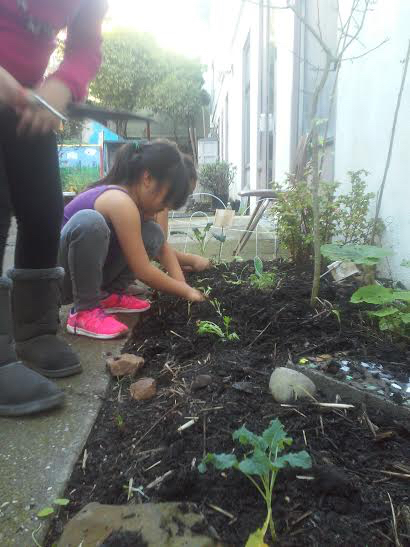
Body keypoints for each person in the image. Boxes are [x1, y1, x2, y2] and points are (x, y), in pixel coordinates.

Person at [0, 0, 107, 417]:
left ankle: (35, 332)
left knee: (44, 213)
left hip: (27, 103)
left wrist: (64, 83)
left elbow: (85, 47)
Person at [59, 141, 205, 340]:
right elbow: (142, 269)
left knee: (152, 233)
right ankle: (84, 311)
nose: (162, 210)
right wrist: (186, 292)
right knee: (90, 222)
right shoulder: (120, 201)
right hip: (60, 279)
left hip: (83, 276)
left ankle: (107, 295)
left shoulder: (135, 205)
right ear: (147, 178)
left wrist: (181, 283)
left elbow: (161, 247)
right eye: (164, 203)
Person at [155, 154, 211, 278]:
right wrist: (193, 260)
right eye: (186, 192)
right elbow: (159, 251)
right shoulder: (159, 208)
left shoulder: (158, 205)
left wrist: (177, 265)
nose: (185, 199)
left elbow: (157, 250)